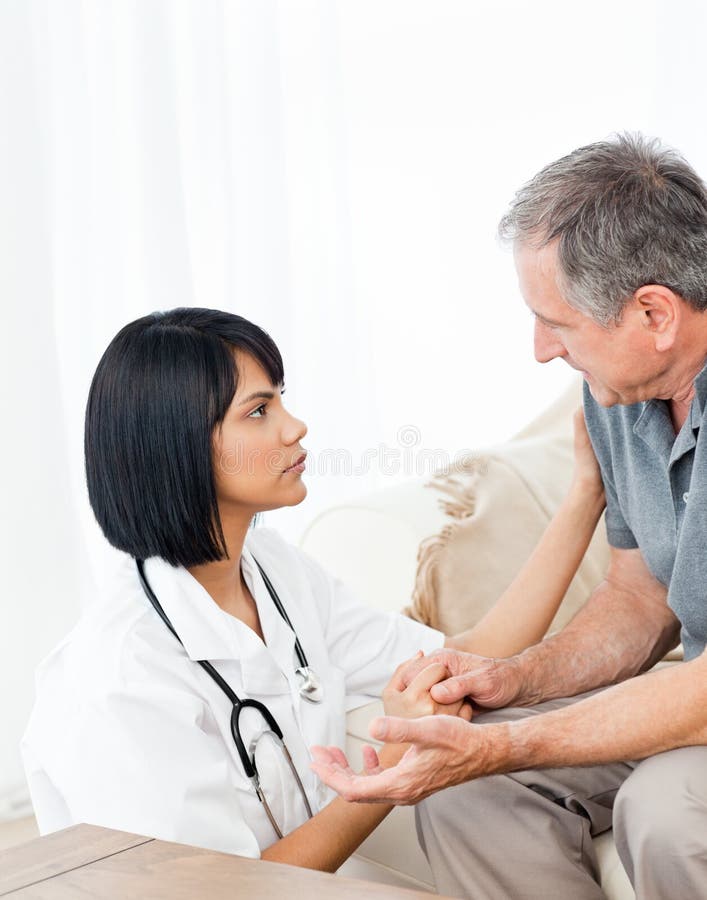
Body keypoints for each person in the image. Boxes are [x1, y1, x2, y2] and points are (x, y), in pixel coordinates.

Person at [23, 307, 603, 873]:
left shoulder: (272, 569)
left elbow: (466, 657)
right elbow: (216, 895)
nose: (294, 426)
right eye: (258, 411)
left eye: (280, 397)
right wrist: (393, 767)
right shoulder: (118, 679)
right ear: (176, 447)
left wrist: (584, 495)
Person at [311, 134, 707, 900]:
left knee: (667, 808)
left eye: (555, 323)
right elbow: (639, 599)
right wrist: (509, 681)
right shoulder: (618, 399)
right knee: (466, 791)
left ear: (653, 312)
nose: (539, 352)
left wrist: (501, 744)